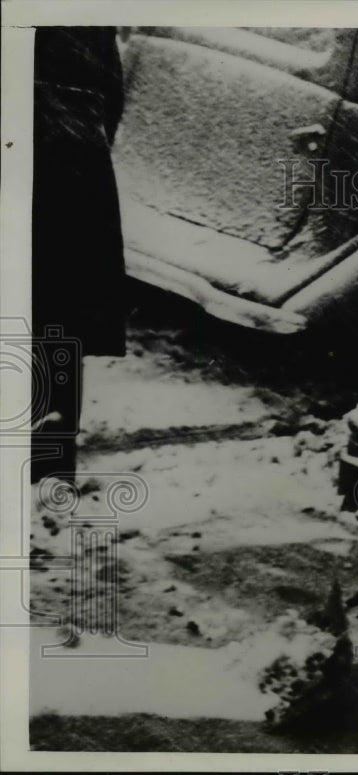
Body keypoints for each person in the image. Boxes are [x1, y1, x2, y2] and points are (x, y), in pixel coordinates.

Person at [32, 27, 127, 486]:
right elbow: (112, 93)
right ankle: (49, 468)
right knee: (58, 320)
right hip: (73, 150)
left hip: (49, 139)